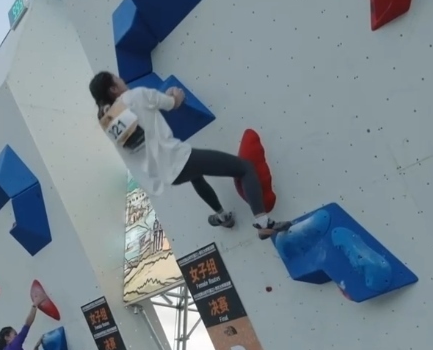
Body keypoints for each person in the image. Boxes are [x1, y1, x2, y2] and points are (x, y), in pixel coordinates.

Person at [89, 71, 292, 240]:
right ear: (113, 89)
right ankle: (263, 223)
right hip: (180, 159)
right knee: (245, 168)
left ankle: (223, 217)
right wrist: (174, 93)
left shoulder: (109, 122)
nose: (122, 80)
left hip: (168, 175)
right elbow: (174, 102)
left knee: (196, 176)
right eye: (118, 79)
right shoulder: (136, 95)